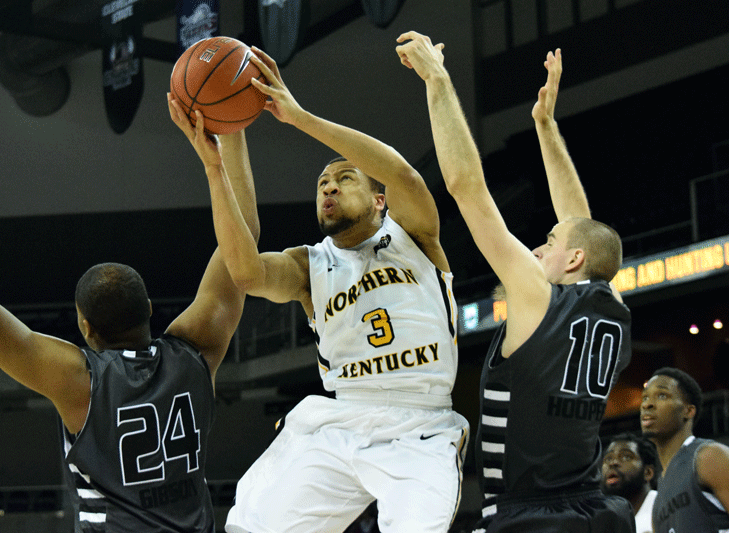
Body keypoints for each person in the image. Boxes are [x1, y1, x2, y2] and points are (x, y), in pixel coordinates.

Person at [0, 94, 260, 532]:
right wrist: (231, 125)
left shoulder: (80, 383)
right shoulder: (196, 350)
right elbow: (243, 241)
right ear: (147, 309)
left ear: (85, 327)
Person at [194, 46, 469, 533]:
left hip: (421, 424)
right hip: (343, 416)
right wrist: (218, 163)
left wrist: (297, 118)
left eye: (345, 178)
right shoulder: (309, 264)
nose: (329, 188)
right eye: (322, 182)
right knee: (250, 525)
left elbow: (404, 173)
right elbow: (244, 272)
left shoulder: (414, 236)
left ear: (380, 199)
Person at [396, 32, 634, 532]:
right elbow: (581, 222)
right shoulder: (611, 302)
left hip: (529, 516)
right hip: (599, 511)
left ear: (572, 259)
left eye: (548, 240)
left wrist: (437, 81)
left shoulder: (537, 298)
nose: (537, 248)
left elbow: (466, 187)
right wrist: (545, 127)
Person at [641, 367, 729, 532]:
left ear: (688, 411)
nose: (647, 404)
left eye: (662, 395)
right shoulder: (658, 500)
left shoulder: (709, 456)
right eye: (644, 397)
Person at [601, 432, 658, 533]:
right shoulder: (603, 521)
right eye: (608, 458)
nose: (613, 463)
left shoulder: (662, 505)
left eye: (626, 457)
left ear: (648, 472)